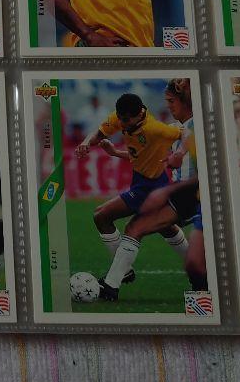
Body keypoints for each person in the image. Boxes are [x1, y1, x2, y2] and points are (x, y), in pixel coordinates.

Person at [95, 79, 203, 301]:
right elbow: (144, 154)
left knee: (135, 227)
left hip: (193, 195)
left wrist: (179, 155)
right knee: (163, 229)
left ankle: (111, 287)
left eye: (171, 101)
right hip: (179, 194)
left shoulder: (196, 128)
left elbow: (191, 143)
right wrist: (115, 153)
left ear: (186, 102)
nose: (168, 106)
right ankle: (201, 281)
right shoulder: (174, 128)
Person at [74, 91, 190, 275]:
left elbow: (187, 134)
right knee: (165, 227)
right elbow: (100, 135)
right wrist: (87, 142)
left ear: (139, 115)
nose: (122, 123)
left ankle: (123, 271)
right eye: (120, 118)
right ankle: (197, 264)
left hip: (149, 186)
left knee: (101, 216)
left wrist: (179, 154)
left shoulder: (155, 129)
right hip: (146, 181)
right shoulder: (122, 118)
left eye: (126, 120)